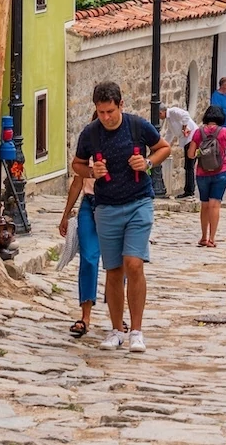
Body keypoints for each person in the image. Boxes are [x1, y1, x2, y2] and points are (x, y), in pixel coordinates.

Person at [73, 81, 170, 353]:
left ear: (121, 105)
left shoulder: (137, 126)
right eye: (101, 112)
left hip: (139, 201)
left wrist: (148, 163)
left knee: (134, 263)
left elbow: (163, 147)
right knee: (113, 270)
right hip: (106, 207)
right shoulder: (91, 134)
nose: (105, 117)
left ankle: (136, 331)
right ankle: (116, 330)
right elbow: (77, 164)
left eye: (110, 111)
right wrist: (92, 172)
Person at [55, 148, 100, 338]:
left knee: (118, 262)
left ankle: (118, 315)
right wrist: (66, 214)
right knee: (89, 258)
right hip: (89, 205)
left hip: (116, 206)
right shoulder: (89, 149)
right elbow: (77, 183)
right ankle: (85, 316)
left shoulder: (122, 144)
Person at [188, 104, 226, 247]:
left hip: (202, 172)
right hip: (221, 172)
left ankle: (203, 237)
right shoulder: (224, 132)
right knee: (215, 205)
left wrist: (201, 152)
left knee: (205, 205)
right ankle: (212, 238)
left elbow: (191, 154)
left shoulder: (198, 132)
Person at [160, 102, 198, 199]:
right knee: (188, 166)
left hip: (191, 138)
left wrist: (184, 127)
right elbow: (170, 133)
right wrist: (164, 144)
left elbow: (185, 115)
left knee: (189, 165)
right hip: (186, 140)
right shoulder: (169, 120)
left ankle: (189, 190)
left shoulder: (173, 111)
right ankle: (189, 189)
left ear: (162, 112)